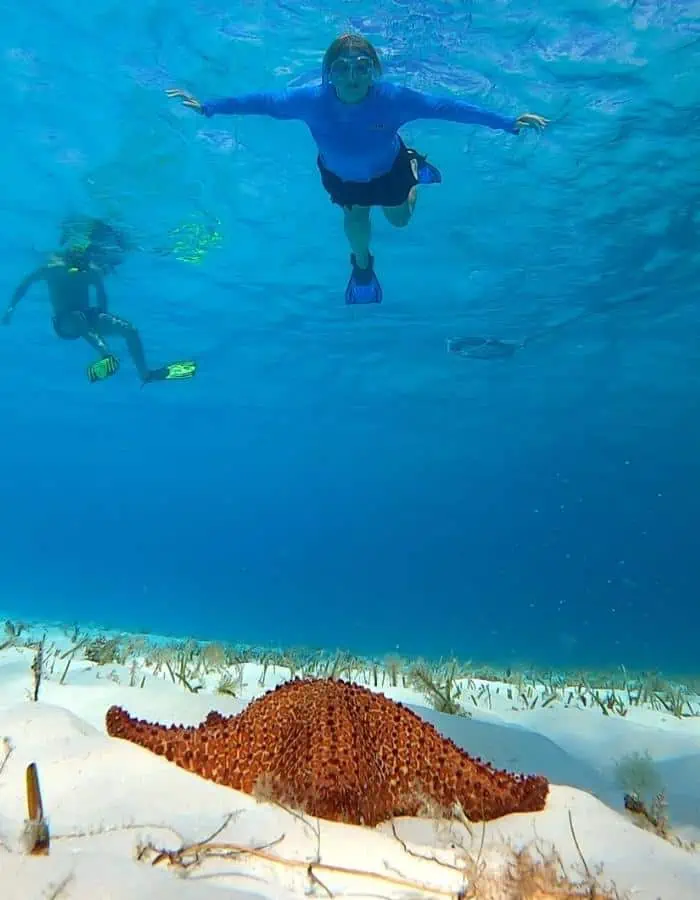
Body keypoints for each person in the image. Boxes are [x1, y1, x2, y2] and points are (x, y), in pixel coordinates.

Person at [166, 32, 548, 305]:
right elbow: (263, 102)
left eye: (362, 68)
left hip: (390, 170)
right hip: (342, 177)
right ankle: (362, 268)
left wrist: (506, 122)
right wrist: (208, 107)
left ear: (374, 72)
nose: (352, 77)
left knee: (399, 221)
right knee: (355, 221)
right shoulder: (310, 101)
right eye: (342, 68)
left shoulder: (393, 99)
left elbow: (447, 108)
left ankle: (414, 167)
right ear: (328, 73)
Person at [2, 233, 197, 385]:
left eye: (85, 261)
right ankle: (105, 355)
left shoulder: (92, 272)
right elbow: (24, 285)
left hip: (88, 316)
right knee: (77, 318)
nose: (83, 265)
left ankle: (145, 374)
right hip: (64, 322)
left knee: (130, 330)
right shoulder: (51, 270)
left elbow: (102, 295)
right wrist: (11, 308)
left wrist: (104, 317)